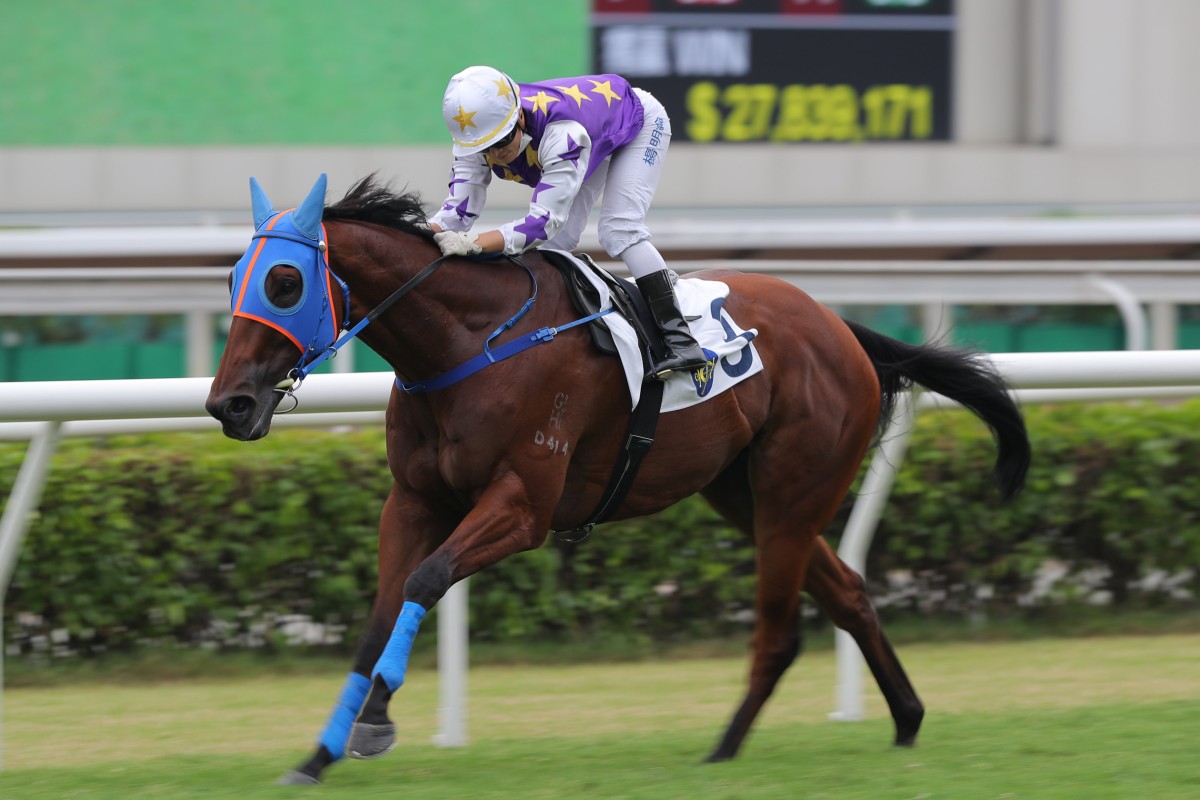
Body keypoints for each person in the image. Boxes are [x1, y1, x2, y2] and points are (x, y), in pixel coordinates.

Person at [427, 65, 708, 378]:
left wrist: (476, 244)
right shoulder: (475, 137)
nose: (495, 154)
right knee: (557, 245)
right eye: (484, 148)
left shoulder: (562, 134)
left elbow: (543, 222)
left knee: (619, 229)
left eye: (501, 142)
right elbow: (456, 214)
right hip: (593, 128)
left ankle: (682, 341)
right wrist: (416, 238)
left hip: (637, 122)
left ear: (519, 117)